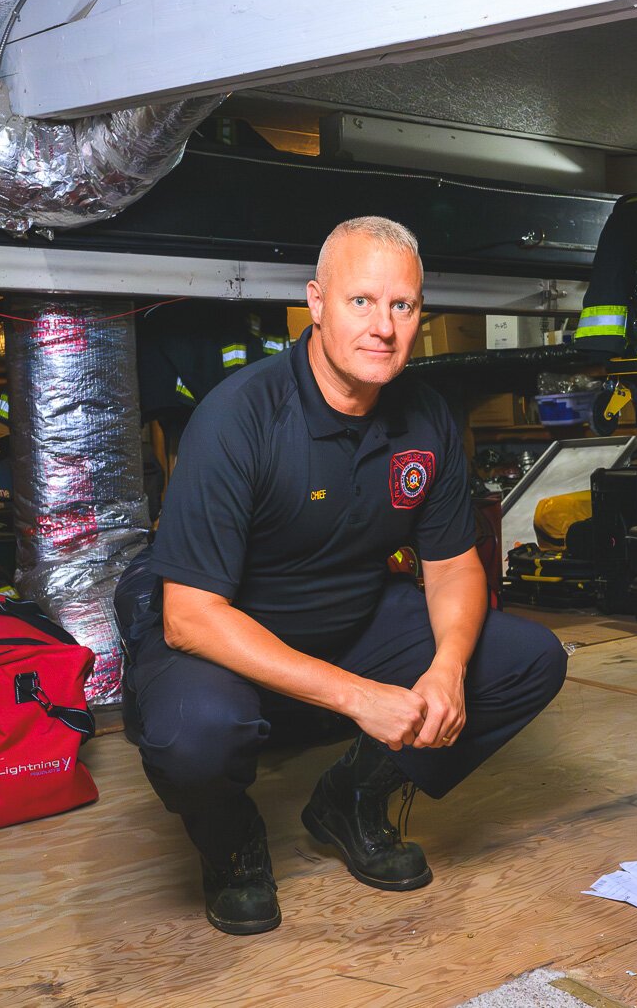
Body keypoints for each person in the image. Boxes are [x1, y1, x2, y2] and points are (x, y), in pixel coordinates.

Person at [121, 216, 567, 935]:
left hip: (348, 623)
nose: (384, 326)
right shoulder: (240, 417)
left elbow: (453, 566)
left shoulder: (425, 418)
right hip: (227, 642)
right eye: (362, 301)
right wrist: (359, 697)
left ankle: (352, 797)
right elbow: (189, 615)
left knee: (526, 659)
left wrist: (448, 668)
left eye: (404, 306)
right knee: (193, 733)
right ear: (318, 303)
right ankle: (232, 841)